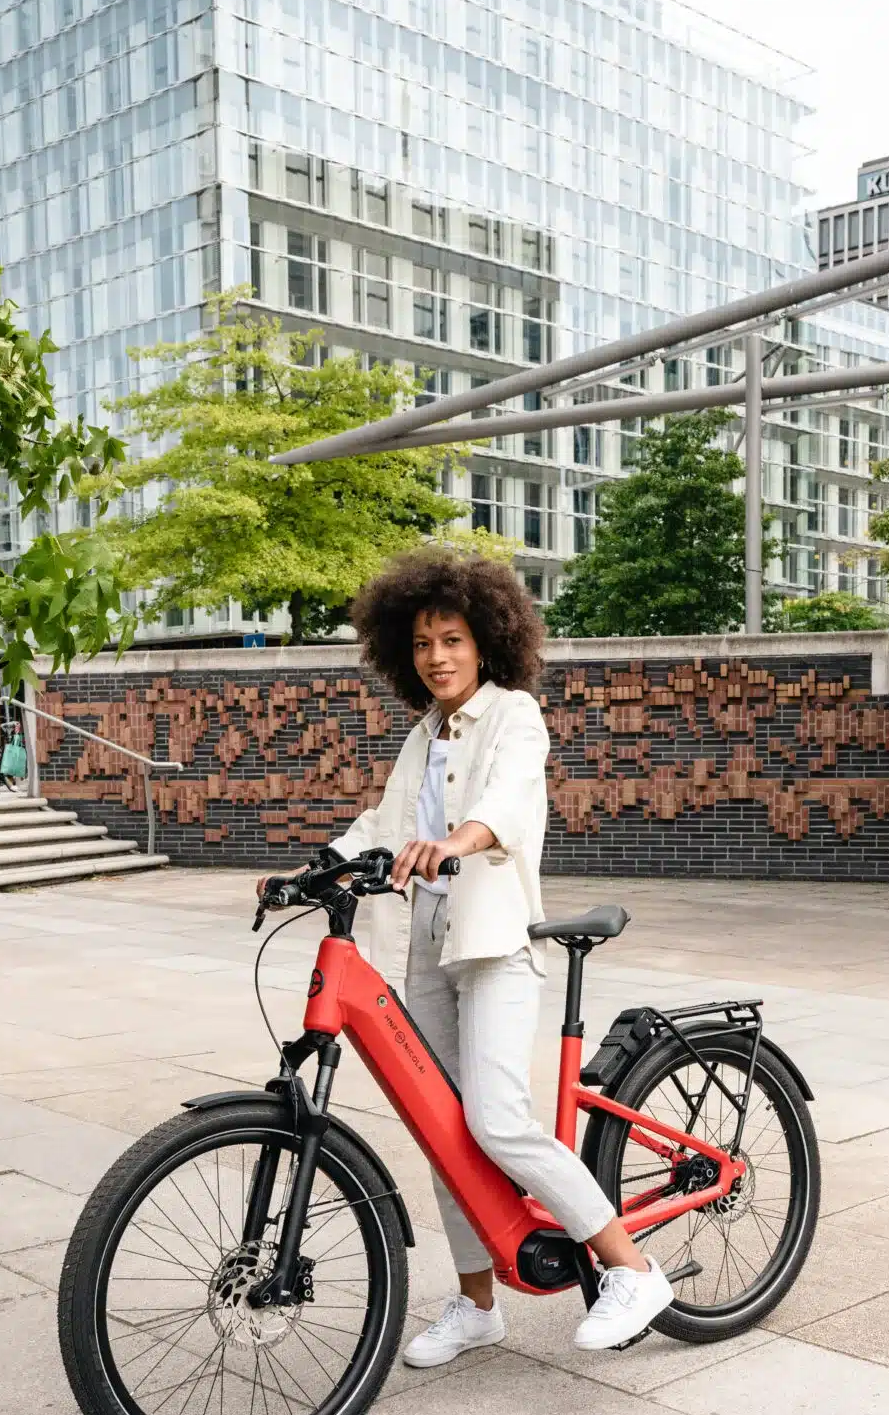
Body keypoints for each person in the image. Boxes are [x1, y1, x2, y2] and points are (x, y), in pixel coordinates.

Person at [278, 548, 674, 1367]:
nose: (437, 657)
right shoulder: (422, 737)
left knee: (496, 1119)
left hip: (492, 943)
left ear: (485, 640)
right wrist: (307, 867)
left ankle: (632, 1272)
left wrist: (460, 840)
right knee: (443, 1134)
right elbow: (381, 825)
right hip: (425, 947)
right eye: (422, 643)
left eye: (451, 638)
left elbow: (509, 797)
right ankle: (476, 1305)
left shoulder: (513, 714)